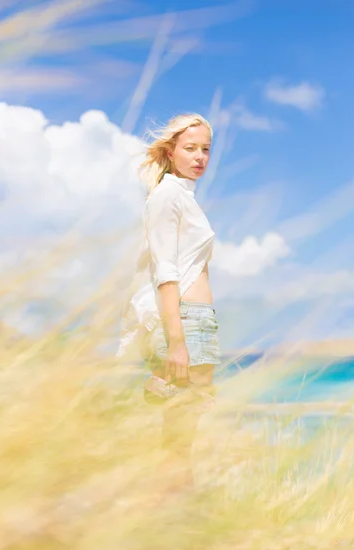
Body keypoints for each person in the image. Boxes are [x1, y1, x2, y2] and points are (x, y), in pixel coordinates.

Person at [118, 113, 221, 489]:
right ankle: (172, 515)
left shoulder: (184, 198)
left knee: (184, 429)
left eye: (206, 149)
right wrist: (176, 342)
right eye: (190, 148)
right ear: (170, 151)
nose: (200, 157)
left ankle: (173, 514)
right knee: (180, 435)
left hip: (199, 320)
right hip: (185, 320)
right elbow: (165, 271)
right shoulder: (166, 196)